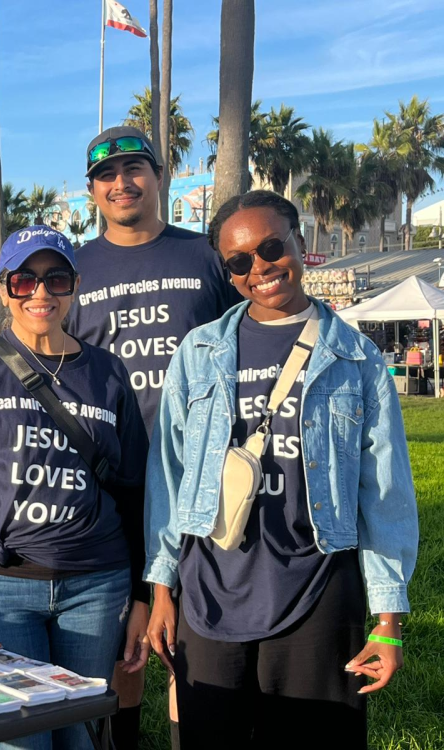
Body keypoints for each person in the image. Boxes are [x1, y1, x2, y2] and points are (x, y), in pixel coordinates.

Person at [144, 191, 419, 748]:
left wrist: (387, 619)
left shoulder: (356, 358)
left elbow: (384, 491)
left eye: (271, 246)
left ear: (299, 241)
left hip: (316, 591)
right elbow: (168, 475)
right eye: (239, 262)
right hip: (210, 592)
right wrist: (162, 588)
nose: (260, 268)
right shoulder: (199, 352)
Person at [0, 226, 150, 750]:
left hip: (97, 584)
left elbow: (136, 492)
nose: (41, 293)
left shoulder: (108, 373)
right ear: (4, 288)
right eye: (24, 280)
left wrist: (142, 594)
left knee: (79, 734)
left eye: (56, 279)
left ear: (75, 286)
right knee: (19, 739)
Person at [64, 124, 241, 749]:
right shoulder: (72, 269)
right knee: (121, 632)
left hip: (202, 472)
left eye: (135, 169)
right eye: (106, 176)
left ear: (160, 176)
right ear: (92, 191)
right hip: (108, 476)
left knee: (188, 631)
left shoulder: (204, 257)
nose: (122, 183)